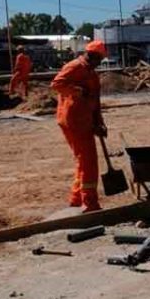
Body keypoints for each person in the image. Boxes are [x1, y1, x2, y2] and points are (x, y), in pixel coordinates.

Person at [50, 40, 108, 213]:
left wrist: (100, 123)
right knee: (88, 162)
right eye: (99, 59)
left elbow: (95, 101)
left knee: (83, 160)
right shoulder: (75, 67)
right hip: (74, 121)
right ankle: (89, 203)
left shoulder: (92, 74)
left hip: (86, 121)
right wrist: (78, 90)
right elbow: (57, 84)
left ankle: (76, 199)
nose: (100, 63)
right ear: (90, 55)